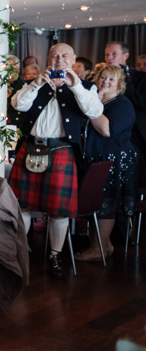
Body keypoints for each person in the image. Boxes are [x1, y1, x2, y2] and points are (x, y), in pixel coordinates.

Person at [9, 43, 103, 279]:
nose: (59, 59)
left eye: (64, 56)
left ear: (72, 60)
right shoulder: (34, 84)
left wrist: (76, 86)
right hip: (31, 148)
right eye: (54, 55)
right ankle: (19, 255)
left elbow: (93, 111)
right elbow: (17, 105)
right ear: (48, 59)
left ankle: (55, 256)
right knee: (23, 206)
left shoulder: (86, 87)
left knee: (59, 212)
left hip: (61, 150)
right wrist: (36, 84)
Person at [75, 64, 138, 261]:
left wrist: (93, 106)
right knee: (97, 203)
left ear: (119, 84)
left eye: (112, 79)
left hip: (114, 160)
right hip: (95, 159)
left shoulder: (122, 104)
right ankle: (105, 246)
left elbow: (106, 130)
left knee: (106, 204)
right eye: (103, 77)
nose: (106, 82)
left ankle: (97, 248)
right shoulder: (94, 99)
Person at [104, 41, 146, 162]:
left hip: (137, 133)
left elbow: (143, 103)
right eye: (107, 55)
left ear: (126, 56)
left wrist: (125, 81)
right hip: (109, 132)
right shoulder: (102, 78)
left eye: (114, 54)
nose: (109, 58)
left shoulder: (140, 77)